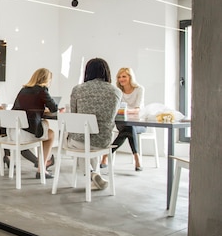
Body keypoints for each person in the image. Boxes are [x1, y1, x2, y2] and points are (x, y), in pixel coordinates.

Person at [67, 58, 121, 190]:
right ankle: (95, 177)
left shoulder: (78, 90)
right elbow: (112, 116)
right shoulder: (116, 91)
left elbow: (73, 115)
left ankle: (92, 174)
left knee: (79, 145)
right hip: (103, 140)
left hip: (80, 139)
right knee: (91, 146)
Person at [10, 68, 59, 179]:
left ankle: (42, 163)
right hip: (25, 133)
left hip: (13, 131)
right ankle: (41, 170)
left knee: (45, 130)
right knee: (51, 134)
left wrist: (39, 109)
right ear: (46, 79)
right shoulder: (42, 90)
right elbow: (54, 108)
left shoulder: (23, 90)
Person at [100, 67, 146, 171]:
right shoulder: (118, 91)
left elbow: (138, 109)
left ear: (130, 77)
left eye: (124, 76)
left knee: (129, 128)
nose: (121, 79)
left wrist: (124, 111)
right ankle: (137, 158)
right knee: (128, 128)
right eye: (119, 77)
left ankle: (106, 155)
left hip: (139, 123)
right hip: (123, 122)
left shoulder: (139, 89)